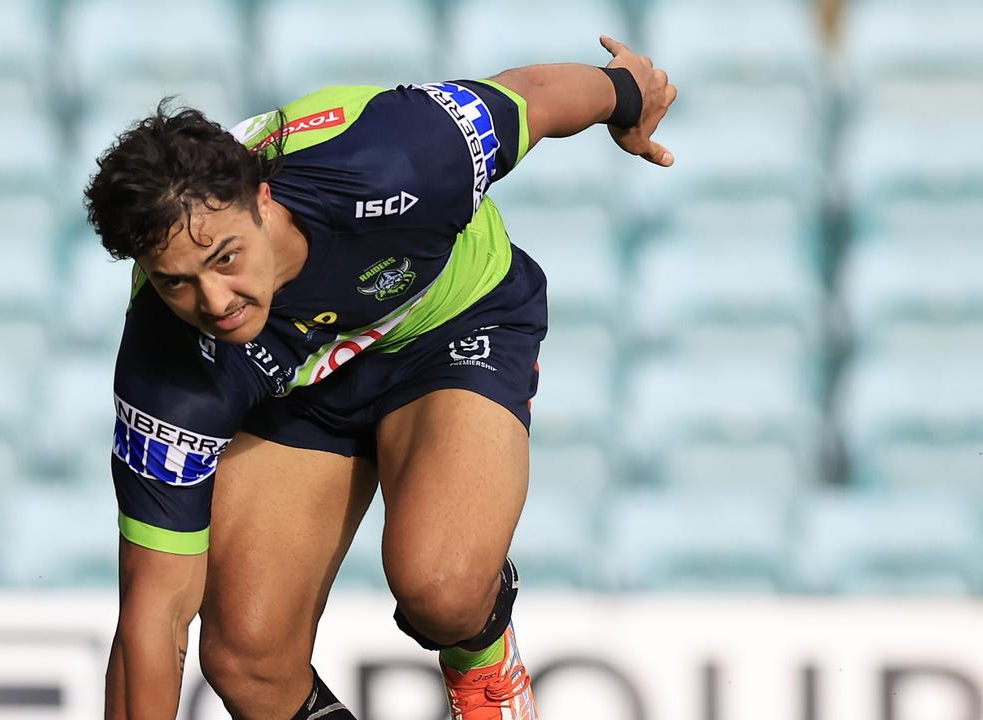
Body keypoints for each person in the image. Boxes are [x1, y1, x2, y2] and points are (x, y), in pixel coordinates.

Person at [88, 35, 675, 720]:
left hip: (447, 330)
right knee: (245, 661)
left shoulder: (399, 159)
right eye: (176, 283)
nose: (216, 302)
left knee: (443, 589)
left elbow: (536, 98)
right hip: (299, 388)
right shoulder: (169, 367)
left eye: (227, 257)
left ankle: (483, 658)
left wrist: (627, 92)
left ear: (263, 198)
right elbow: (152, 621)